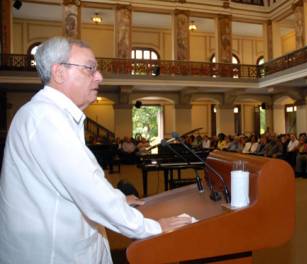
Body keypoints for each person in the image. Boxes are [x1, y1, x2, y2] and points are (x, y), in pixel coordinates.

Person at [0, 37, 191, 264]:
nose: (99, 76)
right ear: (60, 73)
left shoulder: (51, 115)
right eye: (90, 68)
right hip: (53, 254)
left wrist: (118, 200)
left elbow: (78, 181)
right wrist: (153, 228)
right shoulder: (45, 119)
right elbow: (87, 189)